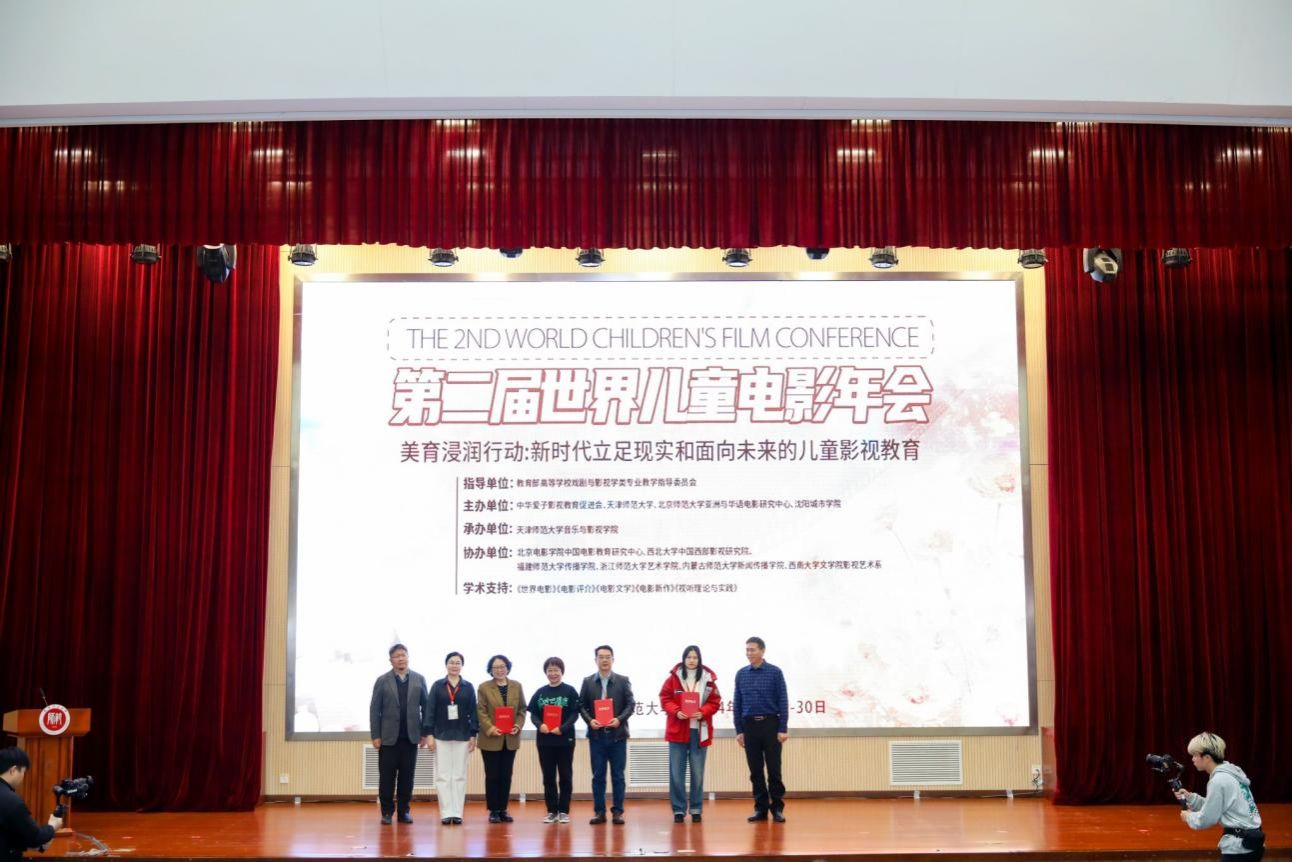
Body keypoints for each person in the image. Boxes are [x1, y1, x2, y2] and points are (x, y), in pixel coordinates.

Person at [1174, 732, 1265, 859]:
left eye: (1195, 755)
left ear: (1207, 757)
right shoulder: (1231, 772)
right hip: (1252, 844)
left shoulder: (1219, 780)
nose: (1192, 759)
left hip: (1239, 849)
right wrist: (1191, 797)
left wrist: (1188, 816)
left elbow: (1207, 818)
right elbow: (1217, 806)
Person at [659, 645, 722, 823]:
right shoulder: (673, 678)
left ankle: (696, 809)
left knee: (698, 773)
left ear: (699, 659)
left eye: (695, 657)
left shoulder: (708, 679)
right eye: (689, 657)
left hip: (699, 732)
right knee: (676, 773)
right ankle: (678, 810)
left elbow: (715, 702)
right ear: (684, 659)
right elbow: (665, 698)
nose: (692, 660)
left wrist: (703, 712)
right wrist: (676, 711)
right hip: (678, 731)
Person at [369, 643, 429, 825]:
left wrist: (424, 733)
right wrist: (375, 735)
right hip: (388, 738)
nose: (401, 658)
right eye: (397, 656)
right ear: (391, 660)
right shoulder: (382, 680)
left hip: (411, 738)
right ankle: (387, 812)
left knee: (407, 778)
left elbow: (426, 708)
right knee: (387, 778)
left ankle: (404, 812)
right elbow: (375, 710)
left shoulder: (419, 679)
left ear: (408, 657)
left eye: (403, 655)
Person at [578, 644, 636, 825]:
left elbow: (630, 705)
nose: (604, 660)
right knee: (598, 776)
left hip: (617, 735)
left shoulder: (623, 680)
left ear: (613, 659)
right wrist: (590, 721)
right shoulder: (588, 681)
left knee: (618, 776)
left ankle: (618, 812)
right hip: (597, 737)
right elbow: (581, 705)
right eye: (601, 657)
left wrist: (619, 719)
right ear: (595, 660)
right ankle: (599, 812)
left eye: (607, 657)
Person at [732, 635, 788, 823]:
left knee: (774, 770)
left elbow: (783, 700)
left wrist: (782, 728)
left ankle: (777, 808)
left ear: (762, 651)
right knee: (755, 771)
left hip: (771, 724)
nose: (749, 653)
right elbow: (737, 704)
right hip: (749, 727)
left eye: (752, 649)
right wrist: (739, 730)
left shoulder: (775, 672)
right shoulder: (741, 674)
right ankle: (760, 809)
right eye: (747, 650)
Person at [424, 651, 478, 825]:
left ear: (462, 666)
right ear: (446, 665)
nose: (454, 665)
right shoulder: (437, 686)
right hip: (441, 735)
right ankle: (446, 812)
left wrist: (473, 735)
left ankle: (457, 812)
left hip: (463, 735)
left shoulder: (468, 687)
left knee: (459, 775)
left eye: (458, 662)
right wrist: (429, 734)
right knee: (443, 775)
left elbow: (474, 712)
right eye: (451, 662)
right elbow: (429, 711)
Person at [527, 657, 580, 824]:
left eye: (556, 670)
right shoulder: (540, 692)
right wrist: (540, 725)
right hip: (545, 741)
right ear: (546, 672)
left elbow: (575, 714)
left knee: (565, 776)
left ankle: (563, 811)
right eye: (550, 670)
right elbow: (533, 714)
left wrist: (562, 728)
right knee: (548, 777)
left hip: (565, 740)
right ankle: (551, 811)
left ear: (562, 671)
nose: (553, 673)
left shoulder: (570, 691)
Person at [476, 654, 525, 823]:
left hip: (510, 738)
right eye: (495, 667)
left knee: (506, 775)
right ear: (490, 670)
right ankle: (493, 810)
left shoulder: (517, 686)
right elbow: (481, 711)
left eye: (502, 666)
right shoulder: (484, 687)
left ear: (508, 668)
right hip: (491, 739)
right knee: (492, 775)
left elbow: (522, 710)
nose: (499, 670)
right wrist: (490, 728)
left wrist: (517, 725)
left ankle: (503, 808)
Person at [0, 747, 62, 862]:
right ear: (13, 770)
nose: (23, 777)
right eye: (23, 772)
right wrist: (53, 826)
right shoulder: (12, 801)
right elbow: (35, 837)